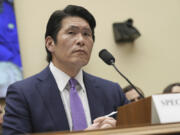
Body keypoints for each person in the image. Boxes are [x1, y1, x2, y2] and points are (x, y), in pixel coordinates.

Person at [2, 5, 129, 134]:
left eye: (86, 34)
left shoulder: (112, 92)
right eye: (71, 33)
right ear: (50, 44)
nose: (81, 40)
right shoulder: (23, 93)